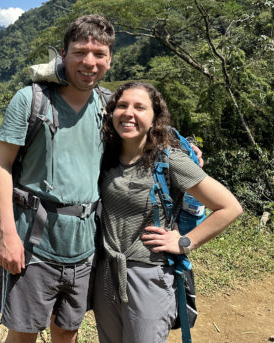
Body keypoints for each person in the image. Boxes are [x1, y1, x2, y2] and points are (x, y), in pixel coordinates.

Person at [0, 14, 115, 343]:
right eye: (80, 52)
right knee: (23, 334)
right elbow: (2, 165)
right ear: (64, 54)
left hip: (85, 246)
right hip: (34, 243)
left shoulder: (108, 105)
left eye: (99, 54)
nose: (89, 62)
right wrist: (7, 235)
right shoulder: (31, 100)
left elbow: (144, 138)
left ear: (109, 59)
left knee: (68, 331)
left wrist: (183, 154)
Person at [92, 81, 243, 343]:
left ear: (154, 119)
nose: (129, 113)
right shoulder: (105, 155)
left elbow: (229, 207)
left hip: (150, 275)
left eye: (140, 107)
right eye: (122, 106)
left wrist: (186, 241)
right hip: (107, 274)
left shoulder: (169, 159)